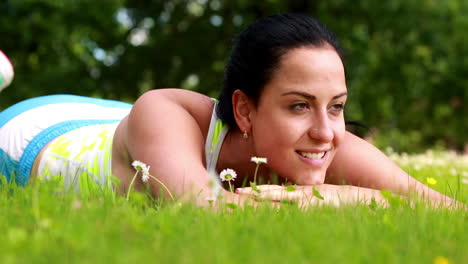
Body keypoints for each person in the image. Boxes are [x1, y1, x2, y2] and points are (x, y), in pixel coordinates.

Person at [0, 14, 459, 208]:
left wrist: (358, 195)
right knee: (149, 121)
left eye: (336, 107)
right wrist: (351, 199)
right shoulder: (163, 109)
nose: (325, 131)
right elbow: (204, 212)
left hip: (120, 124)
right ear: (244, 109)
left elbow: (445, 208)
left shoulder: (319, 141)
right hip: (32, 133)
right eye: (299, 105)